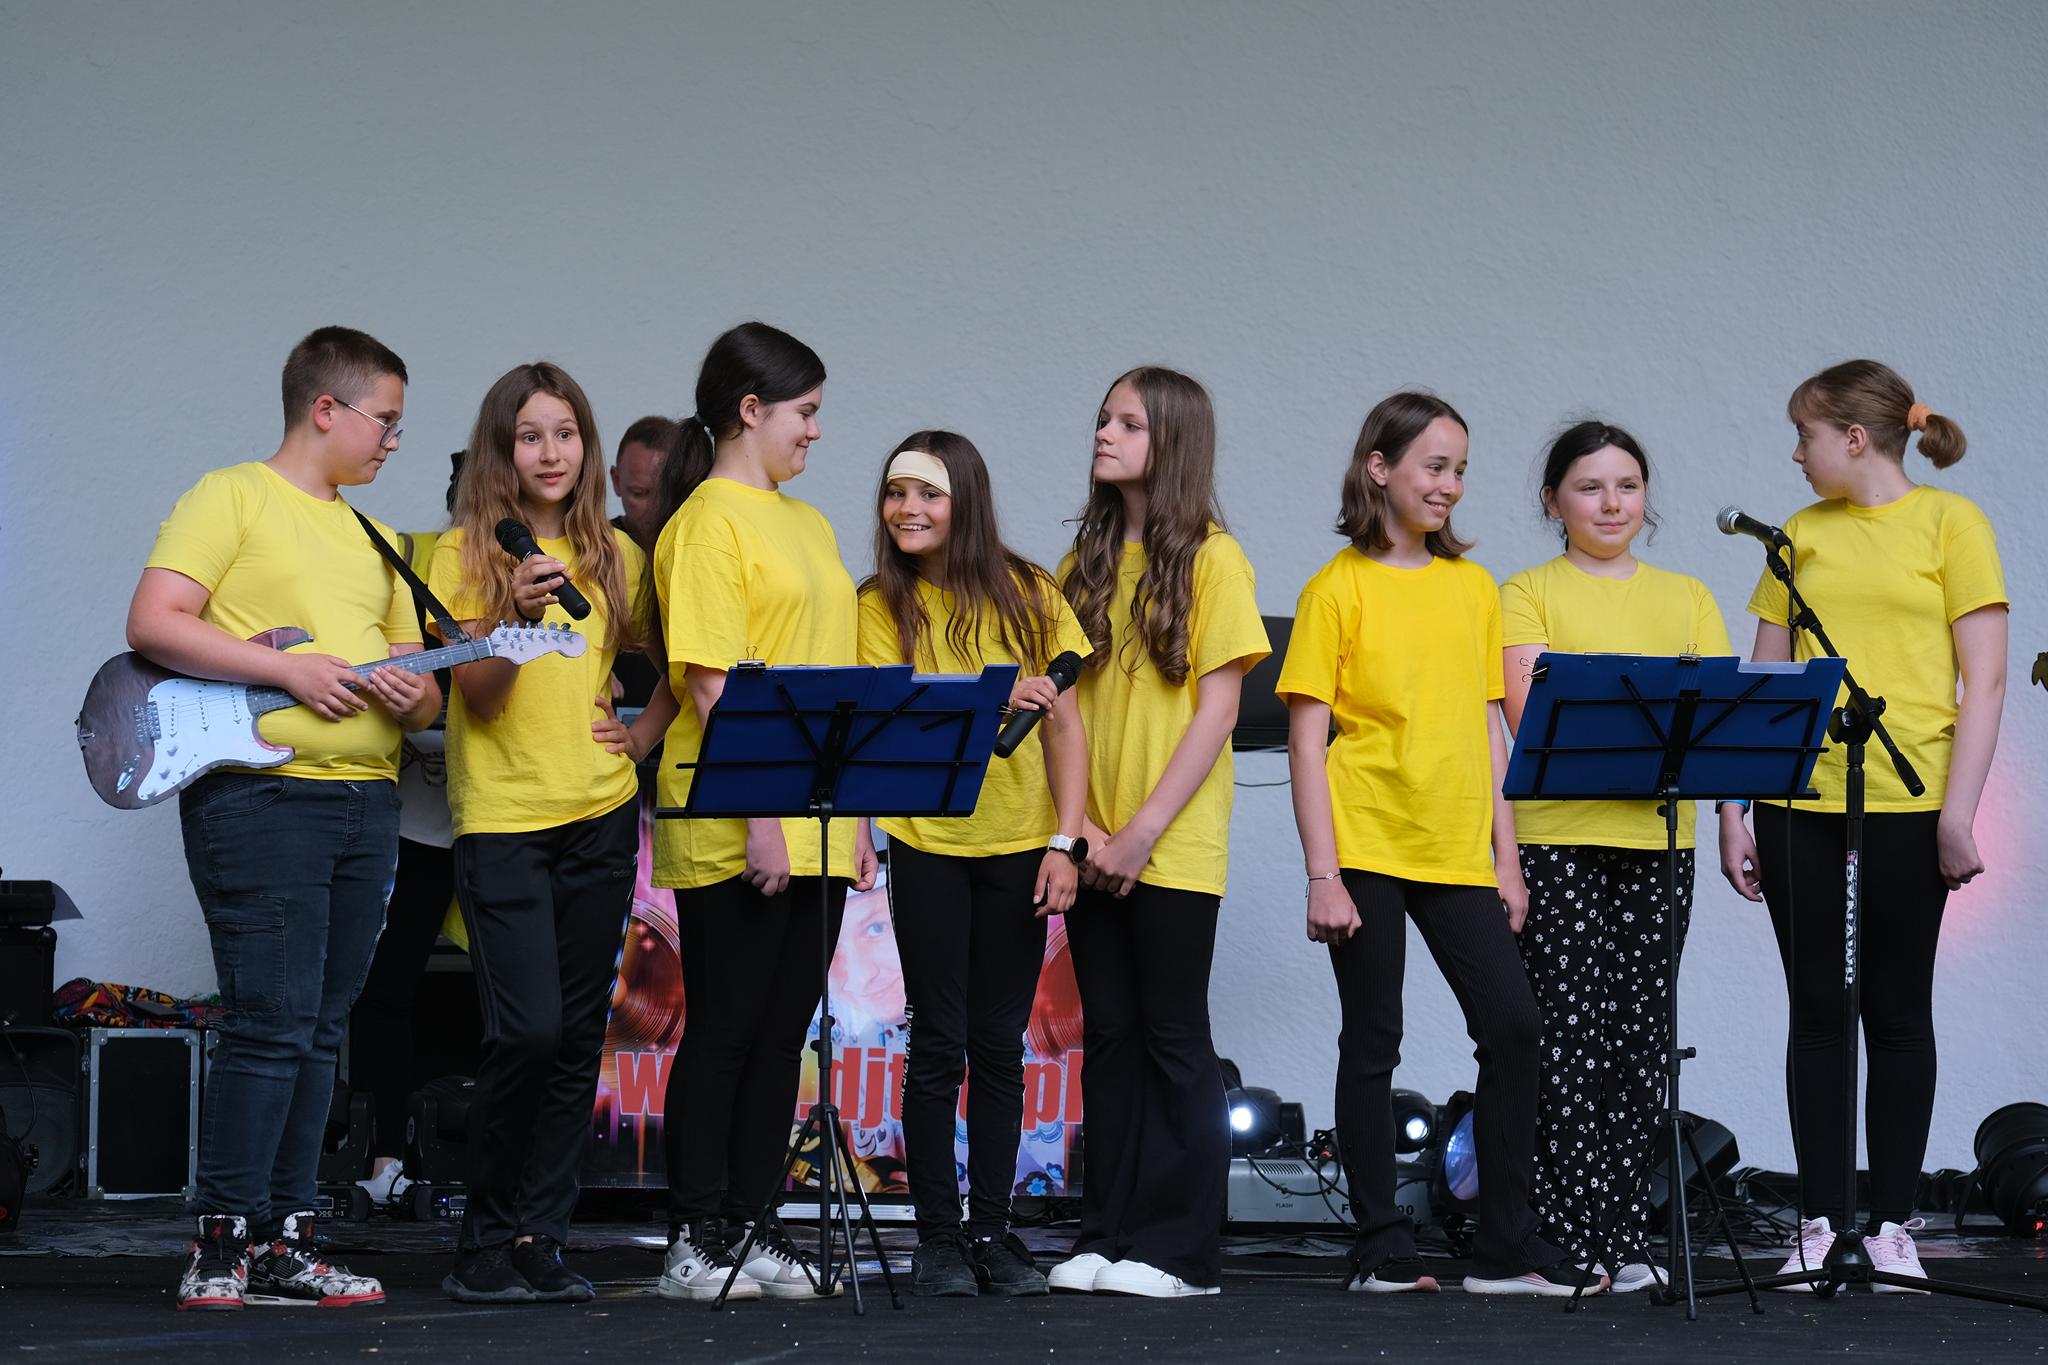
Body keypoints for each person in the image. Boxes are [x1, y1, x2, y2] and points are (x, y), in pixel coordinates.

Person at [127, 325, 438, 1310]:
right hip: (262, 797)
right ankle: (222, 1241)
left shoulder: (378, 539)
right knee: (270, 1024)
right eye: (386, 420)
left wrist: (413, 693)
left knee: (319, 1028)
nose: (394, 440)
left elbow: (424, 695)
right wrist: (288, 670)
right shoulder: (231, 496)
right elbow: (154, 621)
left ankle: (286, 1241)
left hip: (366, 802)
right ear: (325, 408)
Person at [1276, 391, 1583, 1297]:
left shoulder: (1473, 589)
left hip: (1455, 848)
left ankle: (1506, 1247)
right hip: (1366, 840)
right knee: (1375, 1037)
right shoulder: (1335, 588)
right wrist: (1322, 874)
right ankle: (1380, 1243)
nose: (1450, 485)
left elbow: (1488, 729)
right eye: (1434, 466)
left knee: (1514, 1026)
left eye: (1459, 470)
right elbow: (1305, 741)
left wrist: (1506, 859)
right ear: (1380, 468)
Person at [1718, 360, 2007, 1290]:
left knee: (1897, 1010)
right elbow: (1765, 681)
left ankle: (1889, 1224)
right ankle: (1818, 1220)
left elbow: (1985, 681)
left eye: (1804, 435)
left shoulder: (1953, 524)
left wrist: (1958, 814)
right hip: (1798, 805)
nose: (1795, 455)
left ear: (1853, 437)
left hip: (1910, 805)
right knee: (1816, 1010)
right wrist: (1733, 808)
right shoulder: (1798, 534)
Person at [427, 362, 676, 1302]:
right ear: (502, 449)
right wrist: (511, 615)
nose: (550, 452)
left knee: (577, 1038)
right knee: (524, 1032)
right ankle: (483, 1242)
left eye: (565, 433)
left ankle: (542, 1236)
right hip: (503, 820)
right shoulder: (461, 555)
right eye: (530, 435)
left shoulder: (617, 555)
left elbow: (681, 663)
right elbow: (481, 698)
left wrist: (641, 736)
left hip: (600, 814)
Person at [651, 322, 878, 1302]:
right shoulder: (706, 522)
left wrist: (854, 815)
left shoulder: (809, 525)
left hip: (818, 820)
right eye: (805, 412)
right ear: (750, 410)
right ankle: (695, 1236)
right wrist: (761, 818)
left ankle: (750, 1225)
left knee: (783, 1035)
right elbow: (711, 684)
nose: (815, 431)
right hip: (737, 817)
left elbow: (840, 685)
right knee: (727, 1028)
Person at [1044, 368, 1269, 1299]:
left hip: (1168, 845)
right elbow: (1062, 713)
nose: (1104, 432)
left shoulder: (1216, 559)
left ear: (1171, 442)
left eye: (1128, 423)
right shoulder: (1082, 564)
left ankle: (1182, 1253)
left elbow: (1218, 712)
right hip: (1095, 838)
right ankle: (1108, 1233)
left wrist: (1137, 833)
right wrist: (1085, 829)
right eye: (1103, 418)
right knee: (1110, 1037)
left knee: (1175, 1036)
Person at [855, 432, 1091, 1298]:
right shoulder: (877, 603)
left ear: (967, 501)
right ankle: (939, 1240)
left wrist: (1066, 840)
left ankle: (992, 1231)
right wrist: (994, 695)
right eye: (896, 492)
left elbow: (1066, 727)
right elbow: (885, 721)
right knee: (938, 1043)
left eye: (929, 492)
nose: (908, 508)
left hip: (1021, 845)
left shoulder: (1032, 591)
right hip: (927, 844)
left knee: (999, 1044)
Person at [1499, 420, 1733, 1292]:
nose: (1611, 503)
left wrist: (1734, 821)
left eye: (1627, 485)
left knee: (1643, 1036)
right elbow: (1529, 714)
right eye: (1589, 487)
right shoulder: (1525, 591)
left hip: (1660, 838)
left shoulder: (1689, 596)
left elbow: (1720, 724)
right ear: (1553, 500)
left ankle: (1627, 1231)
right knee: (1568, 1035)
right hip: (1554, 838)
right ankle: (1571, 1231)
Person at [351, 450, 465, 1217]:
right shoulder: (409, 560)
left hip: (509, 820)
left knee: (519, 1002)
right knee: (385, 985)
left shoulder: (544, 575)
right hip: (419, 822)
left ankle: (508, 1171)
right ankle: (385, 1153)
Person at [611, 415, 681, 554]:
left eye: (668, 494)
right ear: (616, 481)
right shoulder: (593, 547)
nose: (656, 508)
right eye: (639, 493)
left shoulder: (701, 544)